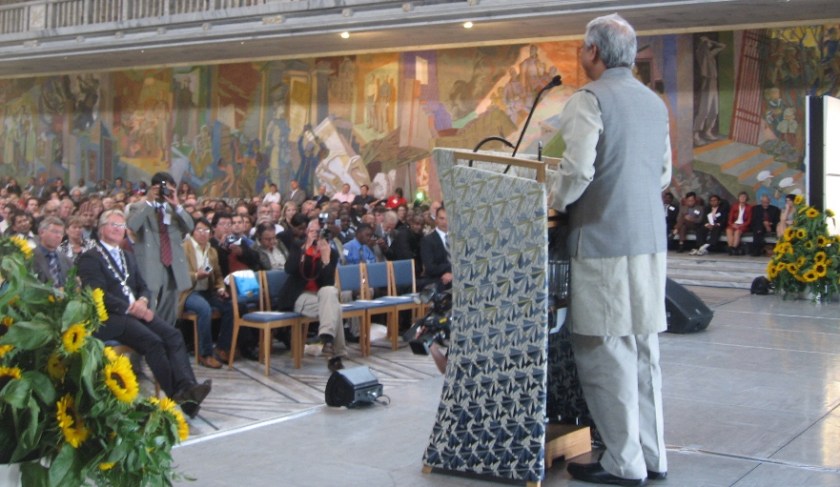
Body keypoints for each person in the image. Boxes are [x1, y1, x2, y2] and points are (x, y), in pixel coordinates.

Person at [548, 14, 669, 485]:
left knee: (605, 349)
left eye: (582, 47)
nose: (582, 54)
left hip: (602, 244)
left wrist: (549, 200)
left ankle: (623, 462)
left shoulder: (589, 99)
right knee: (643, 349)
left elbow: (576, 173)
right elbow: (661, 175)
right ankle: (653, 457)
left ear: (593, 52)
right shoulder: (653, 103)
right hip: (649, 243)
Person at [77, 210, 211, 418]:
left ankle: (188, 388)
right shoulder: (89, 257)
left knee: (173, 335)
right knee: (153, 342)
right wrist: (132, 308)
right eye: (112, 224)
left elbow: (144, 286)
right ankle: (179, 396)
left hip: (138, 311)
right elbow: (97, 293)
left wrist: (143, 301)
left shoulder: (128, 257)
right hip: (111, 316)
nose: (117, 229)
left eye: (121, 226)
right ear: (101, 229)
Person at [276, 218, 345, 372]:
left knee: (331, 292)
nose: (316, 235)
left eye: (319, 232)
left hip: (320, 295)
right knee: (336, 309)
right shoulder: (297, 246)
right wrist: (306, 251)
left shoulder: (330, 252)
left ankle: (327, 338)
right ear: (307, 233)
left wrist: (325, 259)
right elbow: (290, 269)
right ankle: (335, 355)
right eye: (313, 231)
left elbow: (327, 282)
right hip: (298, 295)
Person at [127, 172, 194, 326]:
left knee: (170, 309)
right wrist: (150, 202)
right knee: (149, 308)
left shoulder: (175, 211)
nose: (165, 193)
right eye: (162, 189)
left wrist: (177, 205)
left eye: (169, 189)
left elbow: (190, 226)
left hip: (173, 265)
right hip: (151, 264)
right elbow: (133, 225)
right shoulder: (139, 207)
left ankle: (167, 341)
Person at [180, 218, 234, 369]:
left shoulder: (212, 251)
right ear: (193, 232)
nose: (203, 234)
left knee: (230, 306)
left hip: (207, 290)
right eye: (199, 230)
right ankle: (205, 354)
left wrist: (221, 288)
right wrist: (197, 275)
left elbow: (217, 276)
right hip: (189, 292)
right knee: (204, 309)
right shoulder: (183, 248)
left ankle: (222, 347)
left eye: (206, 230)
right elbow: (179, 275)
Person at [32, 216, 72, 288]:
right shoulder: (30, 256)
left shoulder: (67, 260)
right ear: (41, 232)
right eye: (54, 232)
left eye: (61, 233)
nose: (58, 236)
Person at [419, 207, 452, 291]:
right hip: (437, 279)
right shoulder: (428, 241)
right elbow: (430, 268)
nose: (445, 222)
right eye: (442, 218)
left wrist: (452, 274)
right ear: (436, 219)